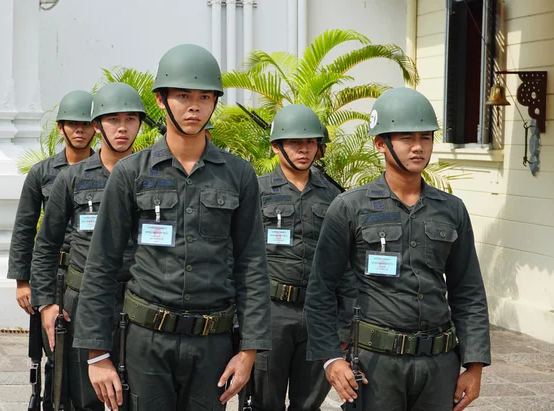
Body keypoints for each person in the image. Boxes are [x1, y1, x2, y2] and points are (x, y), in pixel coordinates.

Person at [73, 43, 271, 411]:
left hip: (213, 344)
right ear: (162, 101)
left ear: (215, 102)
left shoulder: (239, 175)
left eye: (204, 96)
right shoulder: (132, 173)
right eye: (182, 95)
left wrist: (249, 350)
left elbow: (252, 266)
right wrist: (96, 354)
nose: (194, 106)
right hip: (147, 341)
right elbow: (102, 263)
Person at [305, 87, 491, 411]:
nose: (418, 147)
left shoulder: (452, 209)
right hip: (376, 368)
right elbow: (321, 289)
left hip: (439, 366)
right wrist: (331, 359)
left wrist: (474, 366)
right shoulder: (349, 207)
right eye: (406, 137)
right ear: (381, 143)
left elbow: (468, 291)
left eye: (426, 137)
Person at [31, 82, 145, 411]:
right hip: (81, 299)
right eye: (112, 120)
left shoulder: (152, 177)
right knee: (83, 395)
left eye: (130, 119)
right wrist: (47, 304)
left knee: (135, 394)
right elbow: (47, 243)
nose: (122, 128)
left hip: (137, 298)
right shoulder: (73, 178)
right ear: (97, 126)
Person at [247, 104, 343, 410]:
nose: (303, 150)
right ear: (276, 147)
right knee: (262, 401)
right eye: (294, 143)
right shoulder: (255, 191)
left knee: (309, 403)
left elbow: (347, 263)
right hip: (270, 312)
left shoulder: (335, 197)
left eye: (310, 143)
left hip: (318, 313)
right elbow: (237, 258)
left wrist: (343, 324)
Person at [7, 89, 95, 411]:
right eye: (72, 124)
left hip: (89, 273)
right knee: (55, 354)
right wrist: (23, 282)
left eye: (85, 123)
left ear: (95, 127)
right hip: (53, 274)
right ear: (60, 128)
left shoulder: (111, 171)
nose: (79, 130)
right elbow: (25, 228)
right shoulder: (42, 173)